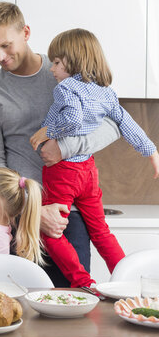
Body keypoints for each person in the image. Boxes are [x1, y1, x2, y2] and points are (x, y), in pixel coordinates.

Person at [0, 1, 120, 337]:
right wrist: (33, 211)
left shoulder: (64, 71)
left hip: (69, 212)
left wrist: (66, 147)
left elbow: (111, 125)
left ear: (26, 32)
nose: (0, 57)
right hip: (20, 216)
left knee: (74, 319)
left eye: (5, 45)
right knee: (20, 318)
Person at [30, 28, 159, 287]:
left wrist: (49, 131)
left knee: (50, 233)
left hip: (63, 172)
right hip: (88, 171)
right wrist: (151, 151)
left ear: (74, 60)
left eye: (56, 62)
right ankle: (129, 281)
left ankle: (83, 282)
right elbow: (126, 122)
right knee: (101, 232)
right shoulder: (106, 92)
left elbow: (74, 118)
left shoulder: (66, 87)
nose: (52, 69)